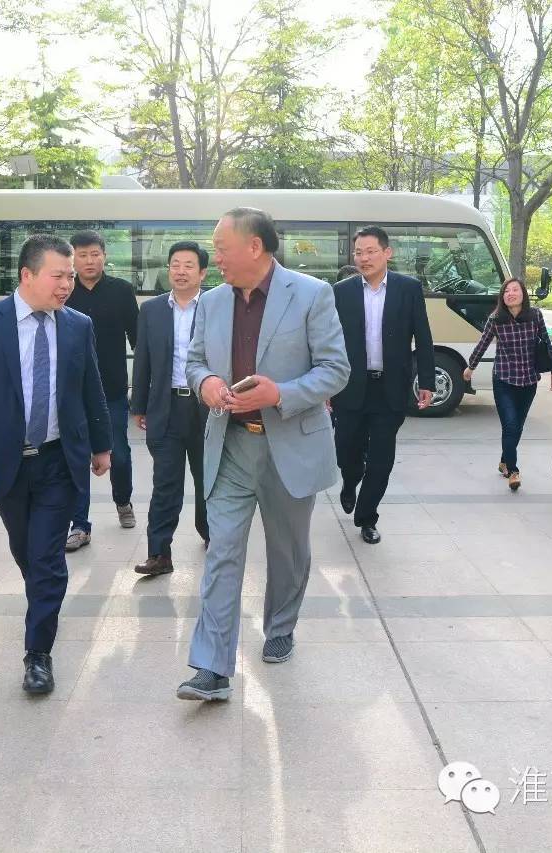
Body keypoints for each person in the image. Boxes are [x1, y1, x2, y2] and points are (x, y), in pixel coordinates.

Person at [176, 208, 349, 701]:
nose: (215, 259)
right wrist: (207, 383)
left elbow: (336, 369)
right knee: (222, 552)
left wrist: (281, 393)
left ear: (254, 247)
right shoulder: (212, 303)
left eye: (221, 248)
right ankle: (211, 668)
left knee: (287, 550)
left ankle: (280, 626)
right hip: (230, 444)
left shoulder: (312, 294)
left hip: (289, 445)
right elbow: (193, 362)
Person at [0, 234, 112, 695]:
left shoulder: (77, 325)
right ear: (27, 275)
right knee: (26, 551)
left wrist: (102, 446)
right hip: (7, 463)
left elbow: (91, 388)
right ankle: (42, 597)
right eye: (58, 276)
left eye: (70, 276)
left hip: (60, 459)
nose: (67, 285)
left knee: (47, 559)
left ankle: (38, 653)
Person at [331, 225, 435, 543]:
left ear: (387, 253)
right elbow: (328, 341)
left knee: (381, 460)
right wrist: (325, 385)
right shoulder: (342, 291)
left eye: (370, 252)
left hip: (390, 389)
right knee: (346, 451)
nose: (363, 258)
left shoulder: (408, 289)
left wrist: (427, 381)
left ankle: (367, 517)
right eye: (358, 253)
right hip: (350, 387)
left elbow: (424, 337)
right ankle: (350, 481)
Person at [129, 241, 211, 576]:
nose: (180, 271)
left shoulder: (217, 306)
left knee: (209, 480)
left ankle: (211, 535)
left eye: (188, 265)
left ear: (202, 273)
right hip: (166, 407)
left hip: (207, 408)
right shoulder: (152, 310)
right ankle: (159, 553)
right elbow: (143, 359)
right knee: (165, 483)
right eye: (175, 264)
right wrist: (139, 405)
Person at [64, 230, 139, 551]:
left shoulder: (121, 291)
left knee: (118, 453)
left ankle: (123, 500)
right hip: (72, 392)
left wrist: (144, 386)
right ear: (73, 259)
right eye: (82, 255)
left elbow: (138, 339)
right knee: (76, 457)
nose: (89, 261)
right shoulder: (65, 291)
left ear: (104, 256)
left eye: (95, 254)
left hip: (112, 391)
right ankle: (80, 524)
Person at [463, 278, 552, 491]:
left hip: (529, 380)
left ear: (523, 294)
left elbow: (546, 342)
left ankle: (504, 460)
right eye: (506, 291)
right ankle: (513, 470)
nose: (510, 294)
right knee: (510, 425)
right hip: (504, 379)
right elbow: (483, 343)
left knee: (518, 426)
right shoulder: (496, 319)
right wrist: (471, 366)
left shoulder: (535, 316)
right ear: (502, 296)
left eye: (515, 290)